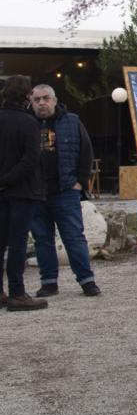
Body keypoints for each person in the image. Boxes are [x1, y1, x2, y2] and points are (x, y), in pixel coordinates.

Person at [29, 85, 100, 298]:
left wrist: (80, 182)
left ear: (54, 100)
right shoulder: (26, 123)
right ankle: (49, 283)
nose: (41, 103)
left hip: (66, 190)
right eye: (37, 99)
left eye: (46, 98)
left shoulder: (71, 121)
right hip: (36, 193)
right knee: (42, 239)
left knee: (74, 237)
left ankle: (87, 281)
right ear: (31, 102)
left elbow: (86, 152)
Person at [0, 75, 49, 311]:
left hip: (3, 191)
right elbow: (30, 160)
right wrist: (8, 180)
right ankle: (17, 293)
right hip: (23, 190)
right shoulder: (28, 122)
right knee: (18, 242)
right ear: (27, 95)